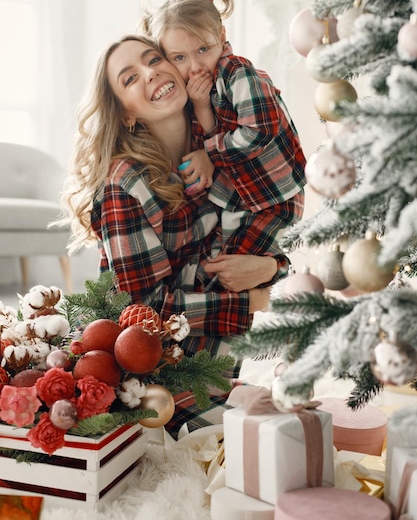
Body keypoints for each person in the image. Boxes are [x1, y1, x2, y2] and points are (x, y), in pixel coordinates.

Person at [59, 34, 282, 435]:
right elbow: (145, 316)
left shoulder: (220, 146)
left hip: (216, 369)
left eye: (154, 58)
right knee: (255, 453)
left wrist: (270, 265)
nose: (151, 72)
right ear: (126, 115)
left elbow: (271, 220)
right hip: (151, 387)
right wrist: (253, 301)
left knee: (296, 430)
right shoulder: (123, 187)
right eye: (130, 78)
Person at [142, 0, 306, 280]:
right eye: (179, 58)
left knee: (230, 270)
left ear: (221, 35)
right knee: (221, 267)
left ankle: (269, 287)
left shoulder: (237, 72)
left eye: (202, 50)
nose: (194, 66)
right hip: (241, 199)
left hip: (274, 197)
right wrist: (202, 106)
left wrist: (209, 153)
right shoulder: (196, 92)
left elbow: (259, 131)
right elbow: (216, 131)